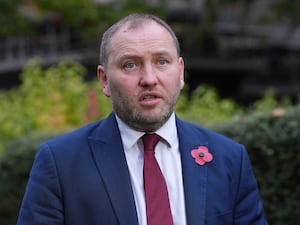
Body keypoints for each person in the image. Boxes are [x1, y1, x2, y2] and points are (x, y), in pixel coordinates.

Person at [17, 13, 268, 225]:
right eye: (130, 65)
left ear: (180, 72)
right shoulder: (60, 164)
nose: (149, 78)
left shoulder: (230, 160)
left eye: (161, 61)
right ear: (104, 80)